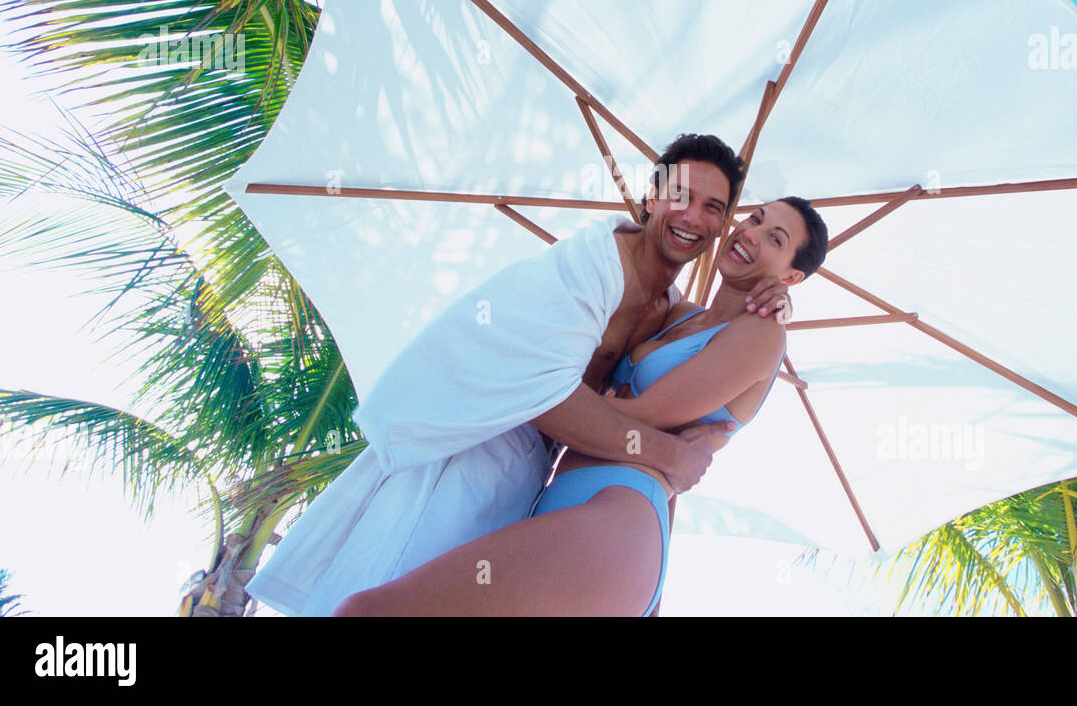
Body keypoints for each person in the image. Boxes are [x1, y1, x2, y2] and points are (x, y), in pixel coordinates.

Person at [245, 134, 794, 615]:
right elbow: (542, 396)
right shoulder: (583, 268)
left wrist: (777, 296)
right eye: (681, 195)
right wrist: (669, 453)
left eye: (714, 206)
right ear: (652, 196)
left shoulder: (673, 311)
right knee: (387, 593)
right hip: (471, 450)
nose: (693, 216)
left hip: (535, 485)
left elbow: (714, 367)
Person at [332, 195, 829, 616]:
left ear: (793, 277)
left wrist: (530, 388)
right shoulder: (678, 314)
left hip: (618, 517)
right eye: (757, 217)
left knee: (369, 612)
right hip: (559, 497)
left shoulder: (762, 334)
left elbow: (643, 417)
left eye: (776, 240)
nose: (752, 233)